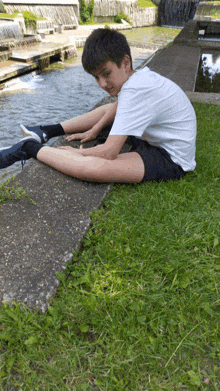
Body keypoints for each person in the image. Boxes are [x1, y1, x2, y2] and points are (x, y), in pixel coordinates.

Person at [0, 28, 196, 183]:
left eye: (106, 74)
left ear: (125, 63)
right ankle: (46, 131)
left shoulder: (135, 89)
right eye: (96, 77)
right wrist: (95, 129)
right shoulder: (139, 77)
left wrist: (78, 153)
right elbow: (118, 107)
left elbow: (108, 153)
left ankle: (28, 147)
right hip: (152, 139)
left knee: (95, 167)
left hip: (170, 157)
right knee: (109, 109)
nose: (102, 84)